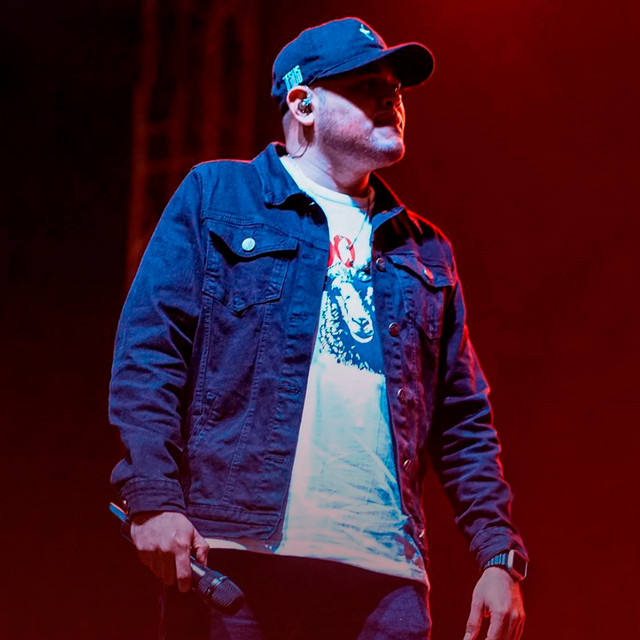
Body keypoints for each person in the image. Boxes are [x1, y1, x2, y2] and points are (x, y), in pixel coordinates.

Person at [109, 17, 528, 640]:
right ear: (302, 104)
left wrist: (499, 556)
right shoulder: (217, 195)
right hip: (238, 560)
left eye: (396, 89)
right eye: (367, 86)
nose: (392, 98)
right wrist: (153, 497)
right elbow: (150, 354)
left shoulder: (425, 249)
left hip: (386, 579)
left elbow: (462, 418)